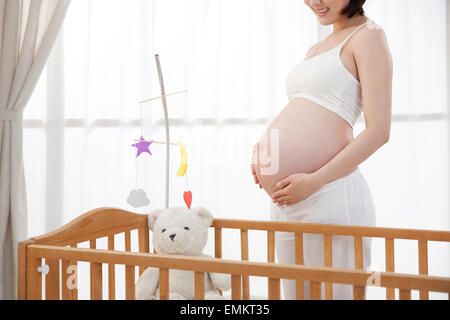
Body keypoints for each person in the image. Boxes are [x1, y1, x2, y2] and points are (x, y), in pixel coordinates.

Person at [250, 0, 393, 299]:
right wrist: (265, 151)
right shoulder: (317, 47)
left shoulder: (368, 36)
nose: (314, 1)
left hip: (329, 194)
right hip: (286, 203)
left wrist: (314, 181)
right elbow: (307, 110)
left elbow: (379, 131)